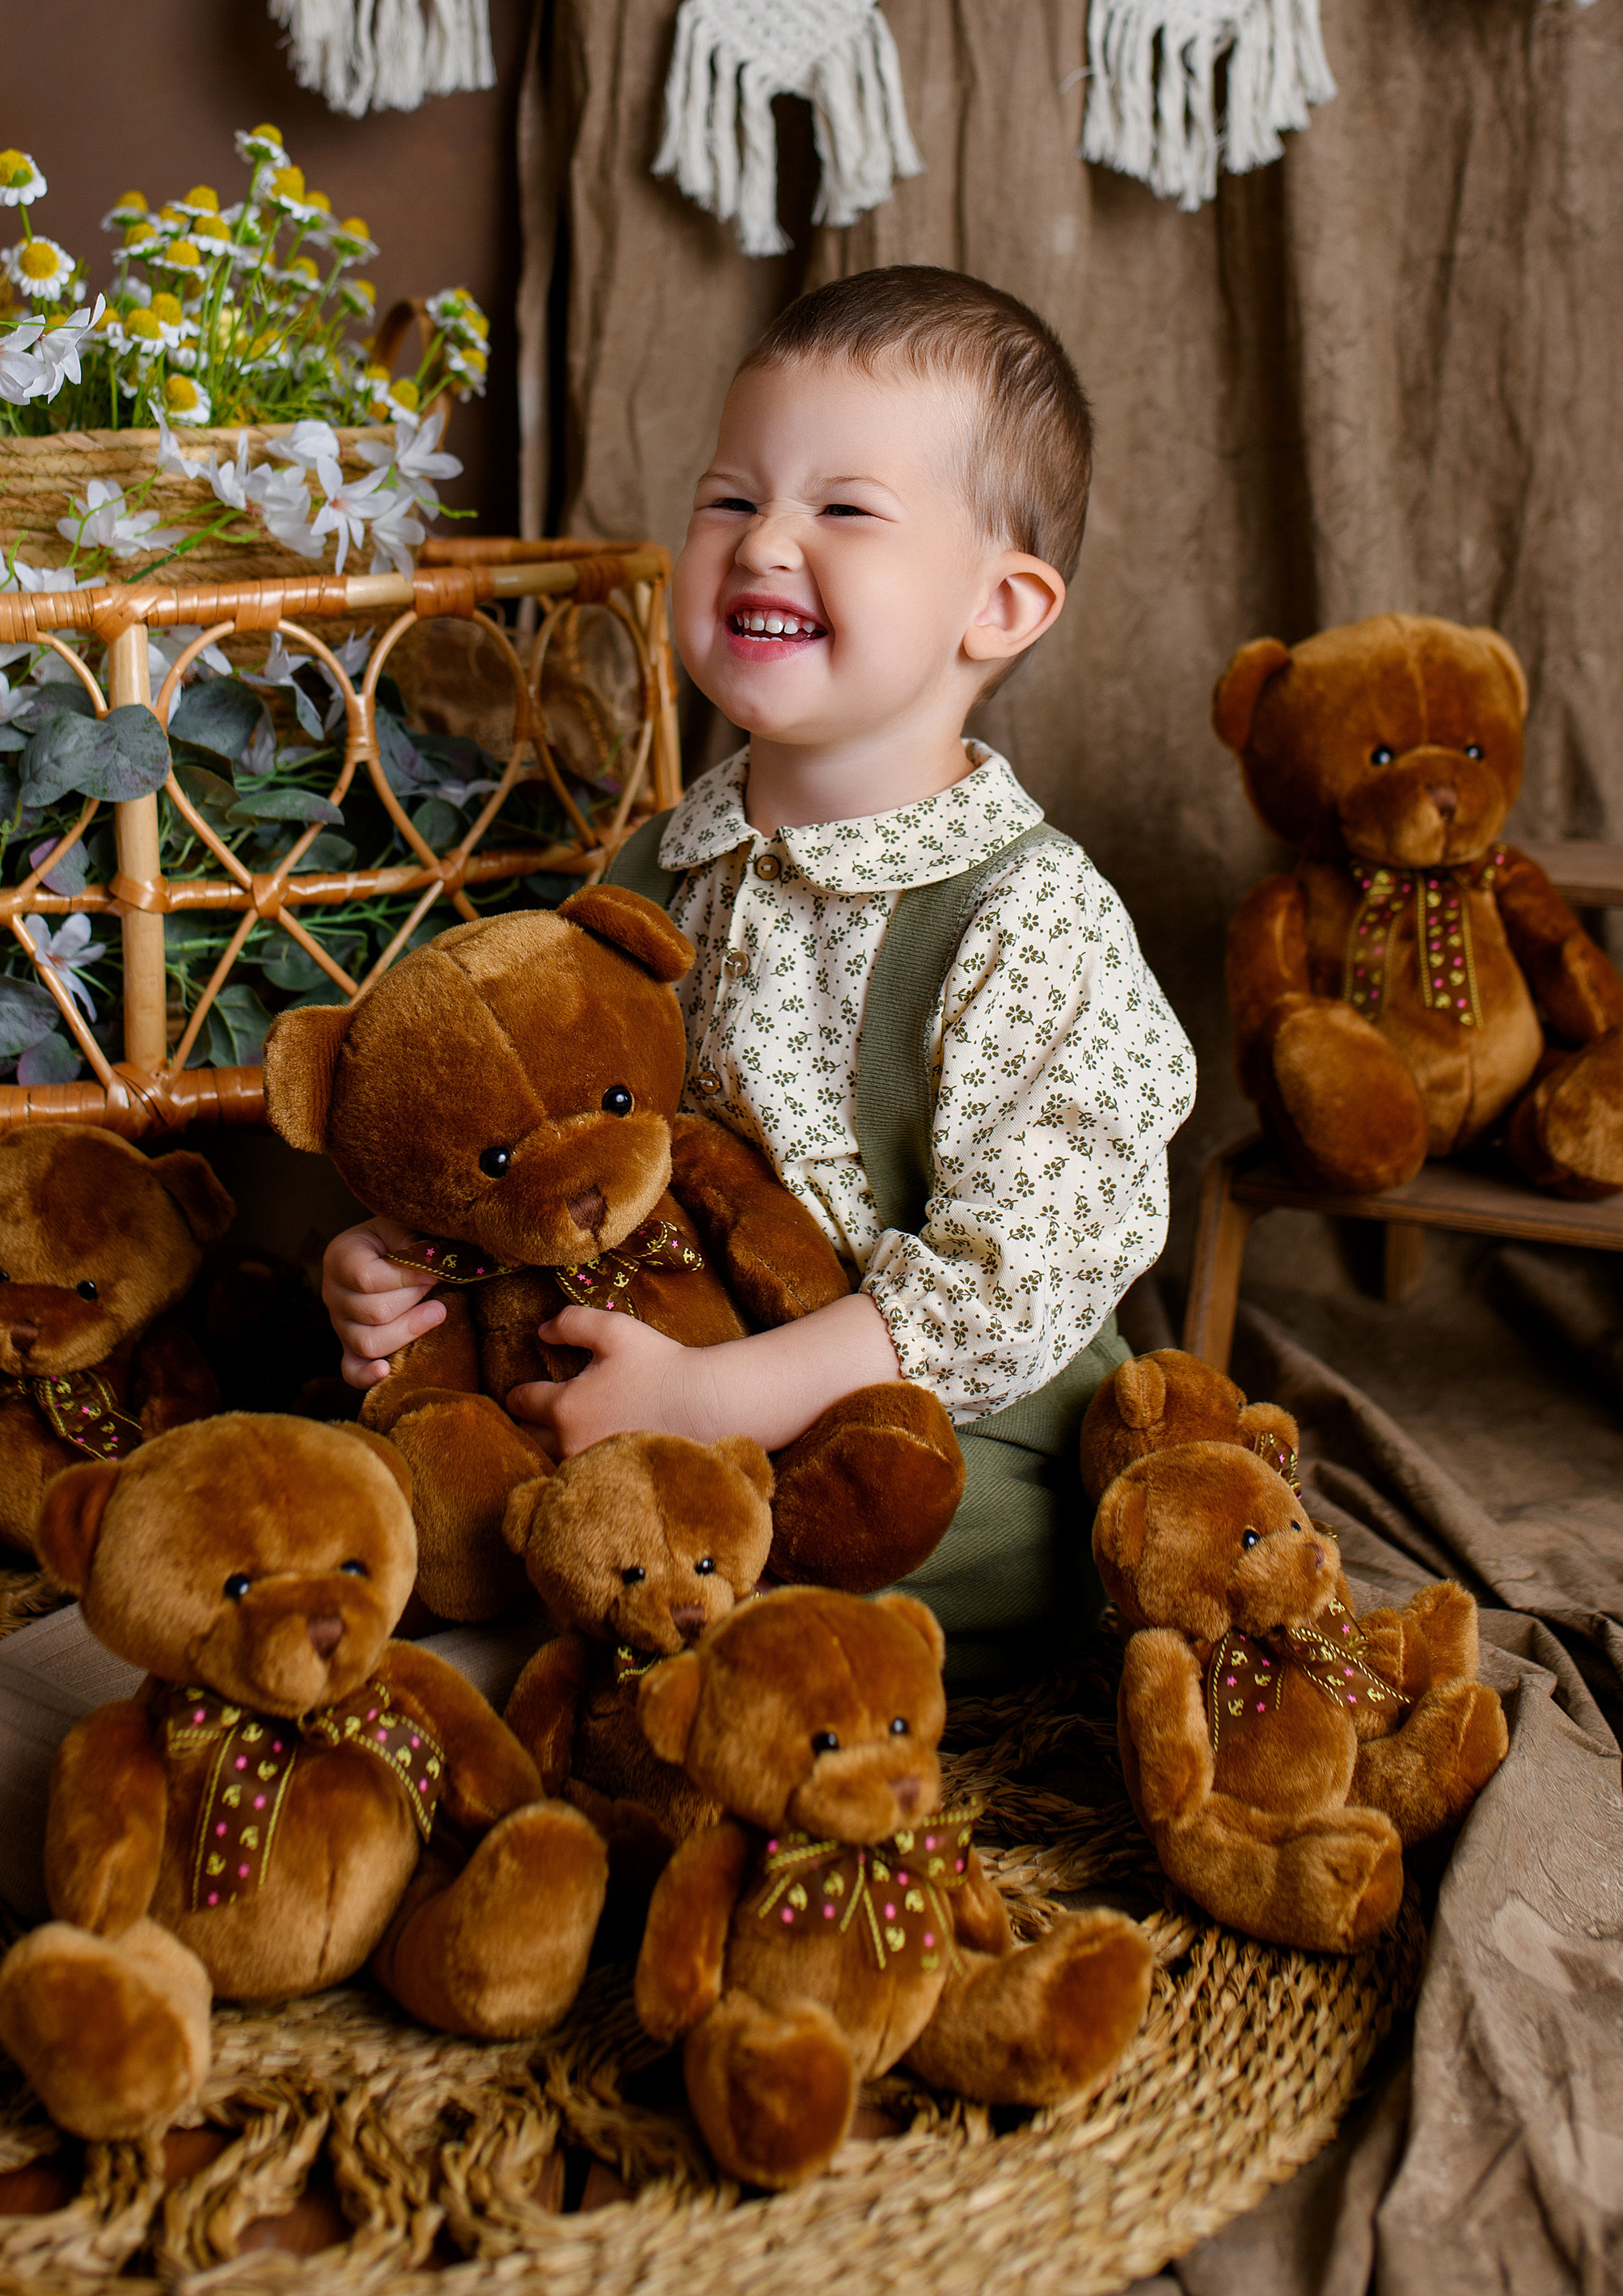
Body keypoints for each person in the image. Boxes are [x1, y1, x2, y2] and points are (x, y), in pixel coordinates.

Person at [321, 265, 1196, 1677]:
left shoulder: (1028, 916)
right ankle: (170, 1684)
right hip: (654, 1385)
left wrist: (713, 1393)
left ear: (1002, 604)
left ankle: (470, 1688)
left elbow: (1014, 1277)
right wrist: (406, 1260)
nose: (765, 543)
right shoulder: (664, 866)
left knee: (651, 1597)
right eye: (731, 498)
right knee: (402, 1487)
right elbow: (554, 1133)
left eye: (843, 509)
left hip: (930, 1442)